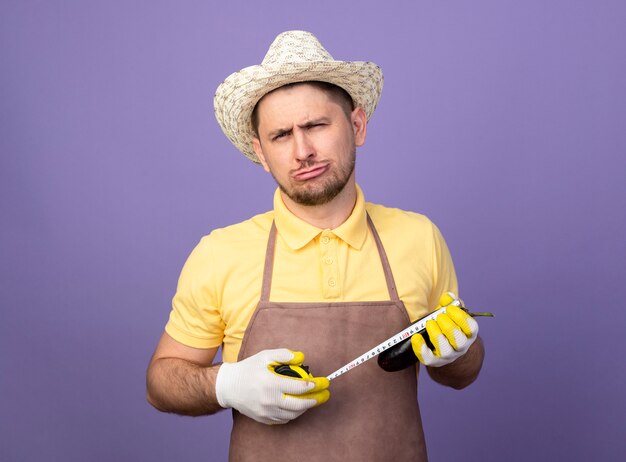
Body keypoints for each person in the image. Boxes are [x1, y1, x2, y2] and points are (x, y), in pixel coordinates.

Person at [146, 30, 485, 461]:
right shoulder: (219, 255)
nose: (302, 151)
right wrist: (226, 384)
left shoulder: (419, 238)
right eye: (281, 136)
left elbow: (462, 374)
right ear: (261, 152)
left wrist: (460, 351)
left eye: (316, 125)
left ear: (357, 126)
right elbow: (160, 384)